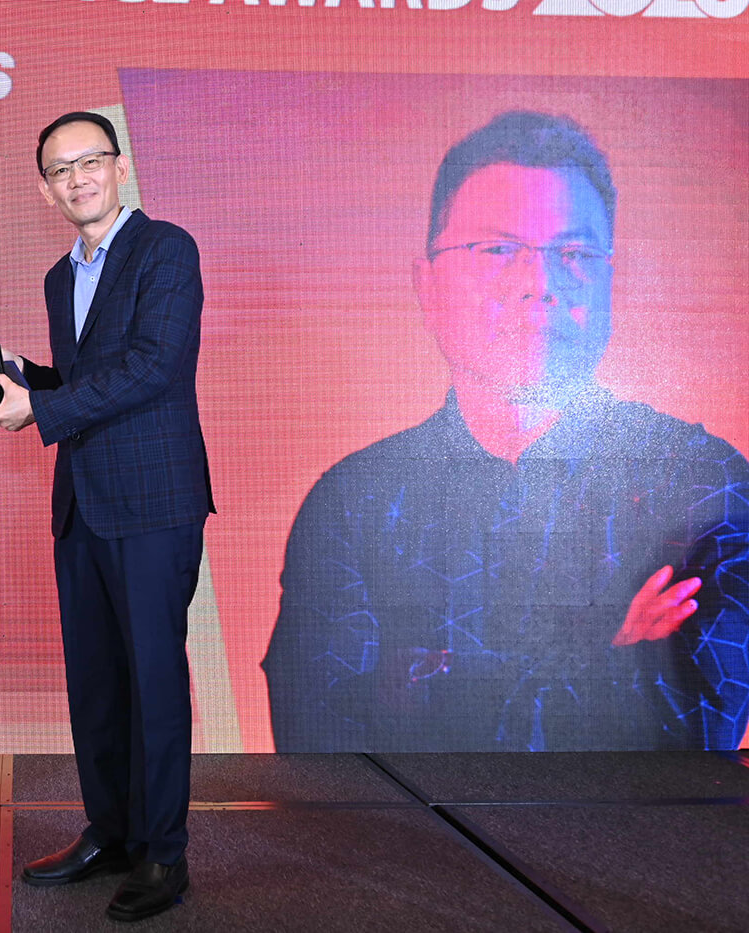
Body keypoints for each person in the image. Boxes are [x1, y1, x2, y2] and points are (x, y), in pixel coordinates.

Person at [262, 111, 749, 753]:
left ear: (612, 281)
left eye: (572, 254)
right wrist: (611, 651)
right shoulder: (354, 504)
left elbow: (690, 734)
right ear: (427, 284)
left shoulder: (704, 483)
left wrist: (427, 684)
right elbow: (321, 748)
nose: (538, 284)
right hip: (408, 855)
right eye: (497, 249)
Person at [0, 112, 212, 922]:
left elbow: (151, 366)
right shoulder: (56, 275)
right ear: (45, 189)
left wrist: (38, 406)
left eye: (89, 162)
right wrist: (10, 375)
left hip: (153, 502)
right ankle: (110, 830)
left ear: (120, 165)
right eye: (59, 170)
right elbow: (80, 374)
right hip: (82, 502)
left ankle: (164, 854)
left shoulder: (166, 248)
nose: (76, 178)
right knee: (97, 686)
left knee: (153, 681)